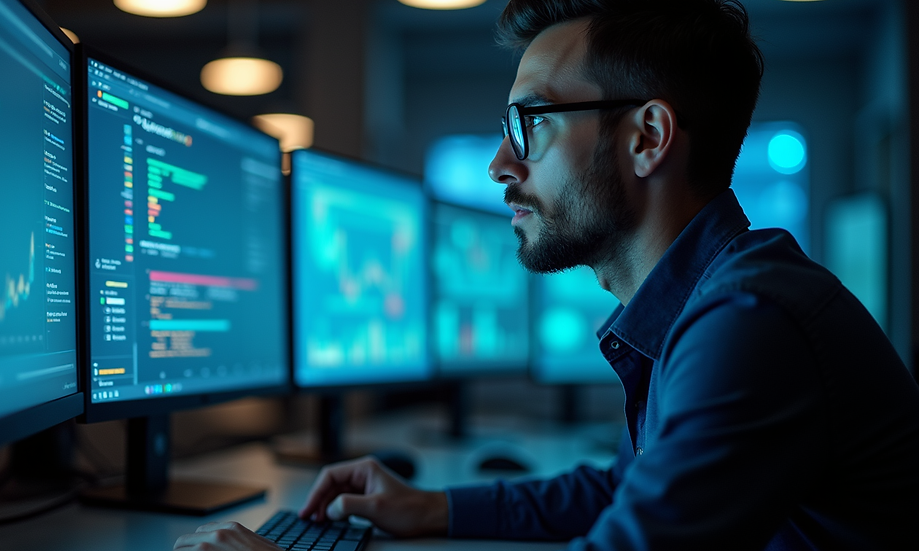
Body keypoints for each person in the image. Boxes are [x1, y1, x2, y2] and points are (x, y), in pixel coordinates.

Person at [174, 0, 919, 549]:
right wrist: (430, 506)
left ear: (648, 138)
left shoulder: (750, 323)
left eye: (530, 122)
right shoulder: (710, 304)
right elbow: (626, 490)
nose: (501, 165)